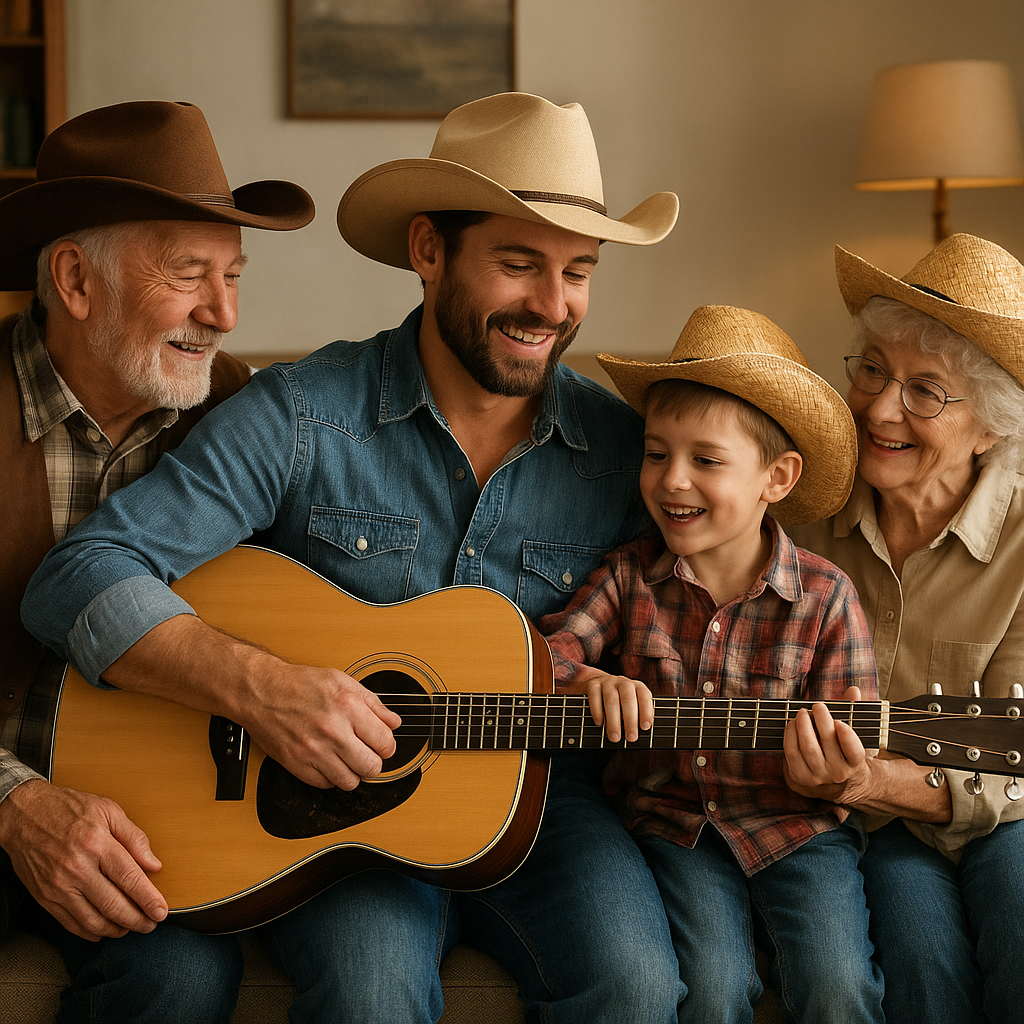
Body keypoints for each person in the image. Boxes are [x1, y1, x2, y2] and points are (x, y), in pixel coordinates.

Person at [22, 92, 683, 1024]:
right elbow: (80, 572)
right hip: (337, 807)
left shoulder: (631, 453)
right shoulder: (298, 414)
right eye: (518, 263)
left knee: (640, 987)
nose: (553, 303)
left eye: (579, 271)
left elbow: (713, 604)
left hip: (546, 802)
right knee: (368, 986)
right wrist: (267, 689)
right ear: (428, 250)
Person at [0, 99, 314, 1013]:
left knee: (182, 975)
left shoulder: (241, 416)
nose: (223, 313)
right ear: (75, 279)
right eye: (189, 275)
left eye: (233, 275)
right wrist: (18, 805)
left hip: (153, 824)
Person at [538, 304, 884, 1023]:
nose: (672, 481)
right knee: (714, 989)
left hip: (799, 830)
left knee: (838, 986)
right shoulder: (630, 576)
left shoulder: (825, 596)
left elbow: (859, 747)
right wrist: (590, 681)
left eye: (706, 460)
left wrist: (839, 770)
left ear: (778, 478)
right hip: (672, 827)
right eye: (658, 453)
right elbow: (543, 658)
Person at [785, 232, 1024, 1024]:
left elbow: (1019, 760)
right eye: (874, 370)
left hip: (1009, 810)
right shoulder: (804, 504)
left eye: (926, 391)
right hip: (880, 827)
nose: (882, 409)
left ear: (990, 428)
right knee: (922, 966)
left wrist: (874, 779)